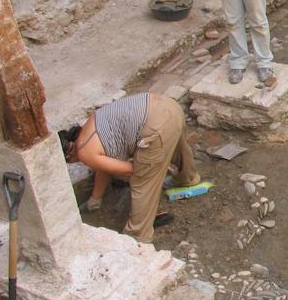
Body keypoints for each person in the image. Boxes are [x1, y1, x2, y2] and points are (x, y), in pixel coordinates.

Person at [58, 93, 200, 244]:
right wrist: (95, 199)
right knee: (176, 146)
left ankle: (137, 235)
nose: (75, 163)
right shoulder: (88, 126)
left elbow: (131, 170)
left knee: (142, 180)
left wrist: (152, 166)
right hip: (169, 106)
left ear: (68, 155)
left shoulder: (84, 152)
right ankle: (188, 178)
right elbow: (103, 167)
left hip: (155, 126)